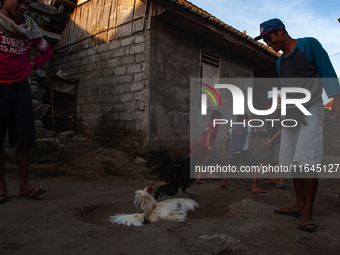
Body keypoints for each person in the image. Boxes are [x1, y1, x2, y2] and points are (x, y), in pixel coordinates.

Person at [255, 18, 340, 231]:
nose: (268, 43)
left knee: (307, 161)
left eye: (269, 37)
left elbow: (327, 69)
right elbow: (287, 90)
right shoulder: (279, 62)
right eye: (264, 39)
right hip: (292, 112)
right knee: (292, 160)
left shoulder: (309, 45)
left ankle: (308, 211)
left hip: (312, 108)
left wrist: (336, 97)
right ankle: (299, 204)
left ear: (281, 31)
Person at [0, 0, 53, 203]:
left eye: (27, 3)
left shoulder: (29, 28)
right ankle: (1, 184)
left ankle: (24, 185)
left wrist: (33, 64)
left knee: (25, 136)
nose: (23, 6)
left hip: (21, 87)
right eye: (19, 1)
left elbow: (47, 50)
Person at [221, 114, 267, 194]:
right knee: (255, 167)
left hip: (233, 151)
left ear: (236, 121)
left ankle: (224, 182)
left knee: (229, 164)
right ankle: (254, 187)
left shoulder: (231, 130)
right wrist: (264, 131)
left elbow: (227, 142)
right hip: (243, 151)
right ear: (246, 121)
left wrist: (227, 151)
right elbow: (257, 131)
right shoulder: (247, 127)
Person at [263, 97, 285, 188]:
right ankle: (274, 179)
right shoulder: (268, 116)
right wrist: (268, 141)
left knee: (278, 161)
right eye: (268, 107)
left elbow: (279, 131)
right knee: (271, 161)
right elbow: (269, 131)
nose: (269, 109)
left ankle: (282, 180)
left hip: (278, 142)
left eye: (271, 107)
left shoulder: (278, 116)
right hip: (271, 142)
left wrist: (270, 141)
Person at [196, 110, 223, 180]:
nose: (220, 121)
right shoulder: (214, 126)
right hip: (209, 146)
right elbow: (209, 134)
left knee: (206, 160)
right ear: (215, 119)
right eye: (220, 119)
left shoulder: (209, 125)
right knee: (217, 160)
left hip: (203, 145)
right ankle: (210, 174)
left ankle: (199, 176)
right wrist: (208, 145)